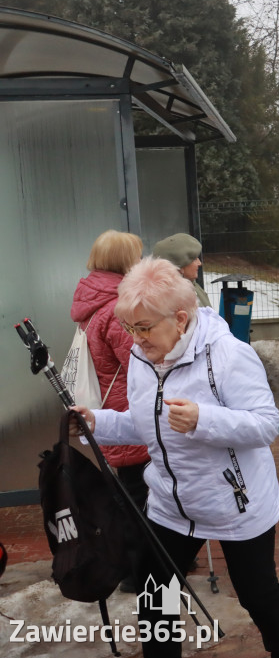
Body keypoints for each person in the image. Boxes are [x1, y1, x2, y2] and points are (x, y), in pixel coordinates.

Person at [71, 257, 279, 658]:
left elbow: (267, 425)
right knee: (155, 597)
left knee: (257, 594)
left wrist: (203, 419)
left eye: (144, 327)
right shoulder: (143, 359)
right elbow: (145, 423)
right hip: (171, 503)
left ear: (180, 319)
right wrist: (97, 421)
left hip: (237, 501)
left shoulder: (230, 355)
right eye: (130, 327)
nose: (136, 338)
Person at [70, 230, 148, 591]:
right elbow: (140, 362)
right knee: (139, 496)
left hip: (109, 402)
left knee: (131, 490)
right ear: (124, 261)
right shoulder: (117, 308)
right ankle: (138, 572)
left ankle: (137, 565)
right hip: (127, 408)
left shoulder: (90, 299)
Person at [152, 232, 211, 307]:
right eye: (194, 259)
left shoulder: (193, 286)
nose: (199, 263)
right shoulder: (170, 299)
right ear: (179, 266)